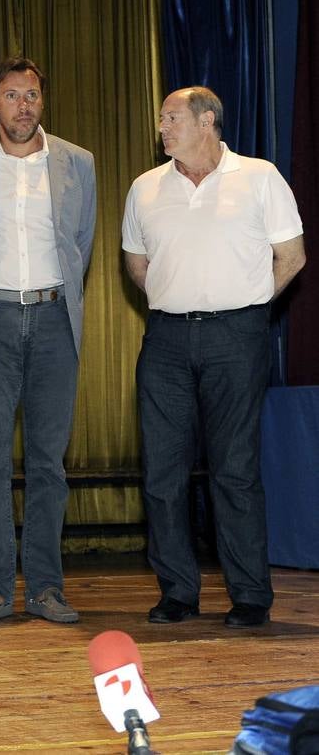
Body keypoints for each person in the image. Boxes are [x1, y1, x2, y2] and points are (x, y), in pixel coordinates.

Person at [123, 86, 305, 629]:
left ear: (207, 122)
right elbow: (136, 263)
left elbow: (292, 257)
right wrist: (177, 297)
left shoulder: (260, 177)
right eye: (161, 119)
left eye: (171, 117)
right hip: (166, 342)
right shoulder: (145, 188)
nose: (162, 127)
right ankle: (177, 591)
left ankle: (249, 595)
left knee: (235, 470)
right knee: (162, 471)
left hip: (237, 338)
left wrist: (247, 307)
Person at [0, 56, 96, 626]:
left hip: (56, 320)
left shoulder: (79, 162)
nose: (23, 105)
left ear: (42, 101)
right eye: (11, 95)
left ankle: (47, 588)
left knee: (49, 463)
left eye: (32, 94)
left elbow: (82, 241)